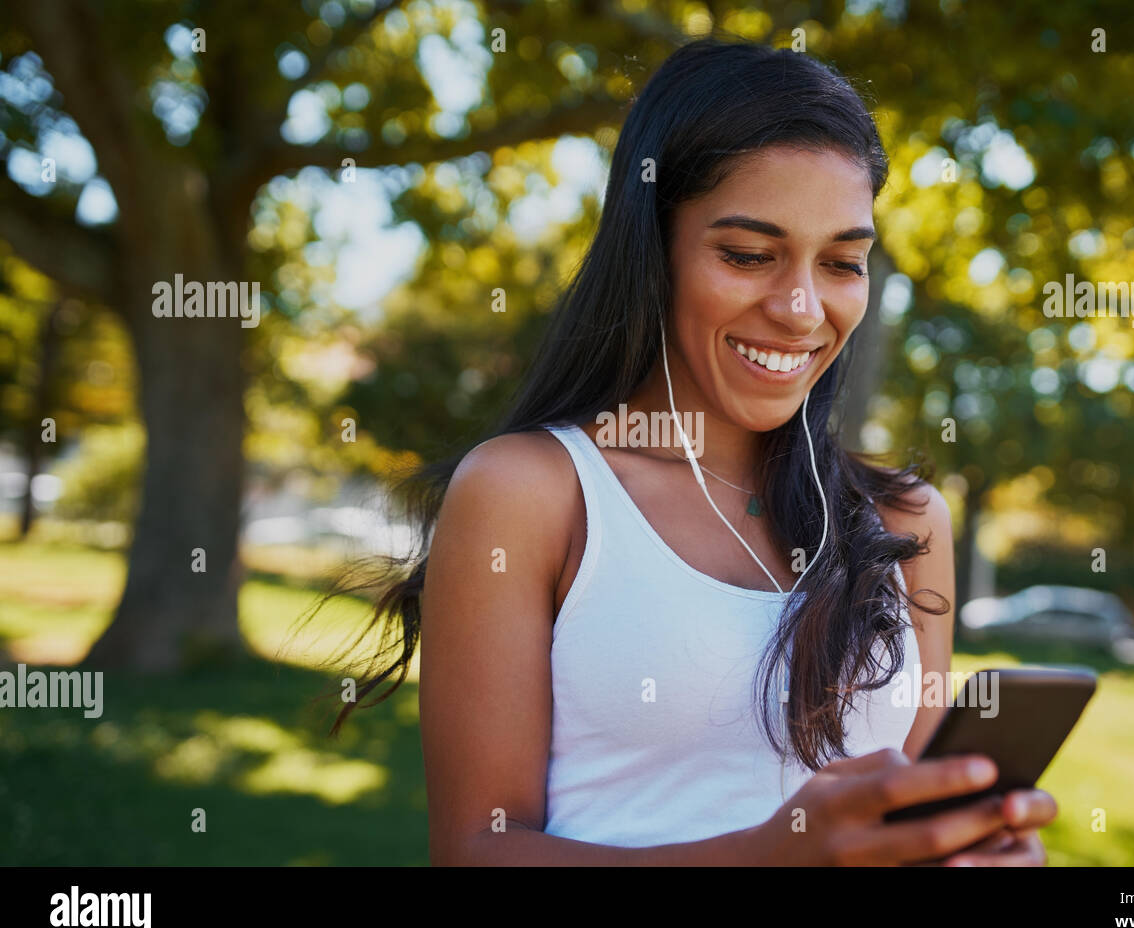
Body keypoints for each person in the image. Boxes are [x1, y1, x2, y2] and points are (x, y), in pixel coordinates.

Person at [337, 35, 1058, 864]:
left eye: (842, 263)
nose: (799, 308)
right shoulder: (533, 493)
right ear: (655, 250)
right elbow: (476, 850)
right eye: (748, 255)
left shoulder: (903, 519)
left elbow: (913, 817)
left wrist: (972, 848)